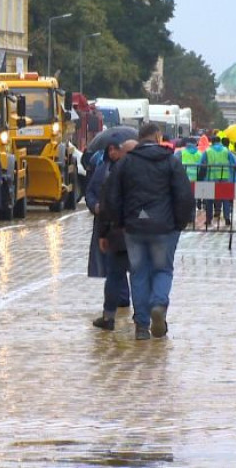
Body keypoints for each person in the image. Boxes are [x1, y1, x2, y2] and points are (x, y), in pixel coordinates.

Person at [103, 123, 194, 340]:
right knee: (162, 270)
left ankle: (142, 325)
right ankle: (159, 305)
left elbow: (112, 195)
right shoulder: (171, 161)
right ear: (157, 136)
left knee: (139, 273)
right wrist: (179, 223)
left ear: (140, 138)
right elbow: (183, 195)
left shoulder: (125, 163)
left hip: (134, 227)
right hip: (164, 227)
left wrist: (119, 222)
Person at [88, 139, 138, 330]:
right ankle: (139, 319)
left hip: (122, 230)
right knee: (121, 272)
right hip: (122, 231)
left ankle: (117, 316)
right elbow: (94, 194)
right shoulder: (105, 170)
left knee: (127, 273)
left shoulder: (127, 174)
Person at [200, 136, 235, 227]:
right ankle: (227, 218)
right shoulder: (226, 151)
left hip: (211, 178)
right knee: (225, 199)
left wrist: (201, 177)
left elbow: (201, 164)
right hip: (224, 178)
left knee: (209, 200)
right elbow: (233, 163)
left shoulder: (207, 151)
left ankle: (208, 219)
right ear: (220, 142)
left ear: (212, 142)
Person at [177, 135, 204, 211]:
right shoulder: (200, 153)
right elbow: (203, 166)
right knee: (194, 197)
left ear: (186, 144)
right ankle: (192, 216)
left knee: (185, 198)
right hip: (196, 178)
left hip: (184, 179)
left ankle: (187, 216)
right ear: (196, 144)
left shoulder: (181, 152)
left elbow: (175, 163)